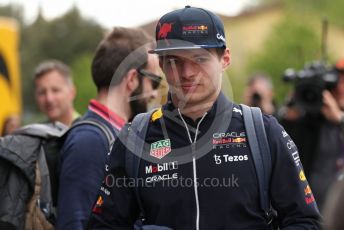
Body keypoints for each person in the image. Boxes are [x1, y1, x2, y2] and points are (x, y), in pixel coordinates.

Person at [88, 6, 321, 229]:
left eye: (199, 58)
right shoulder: (135, 137)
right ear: (160, 64)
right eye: (174, 61)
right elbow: (104, 225)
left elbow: (306, 221)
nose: (187, 73)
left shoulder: (263, 131)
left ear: (225, 59)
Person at [56, 27, 161, 229]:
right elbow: (73, 224)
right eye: (154, 82)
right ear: (131, 79)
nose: (154, 94)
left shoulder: (116, 133)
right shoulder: (90, 140)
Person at [280, 58, 344, 211]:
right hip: (309, 213)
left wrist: (340, 119)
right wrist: (289, 121)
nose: (341, 88)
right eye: (339, 82)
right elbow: (283, 158)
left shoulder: (337, 119)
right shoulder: (311, 120)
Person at [34, 60, 80, 127]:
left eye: (55, 90)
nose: (49, 99)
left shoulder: (89, 132)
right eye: (42, 92)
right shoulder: (35, 133)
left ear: (72, 92)